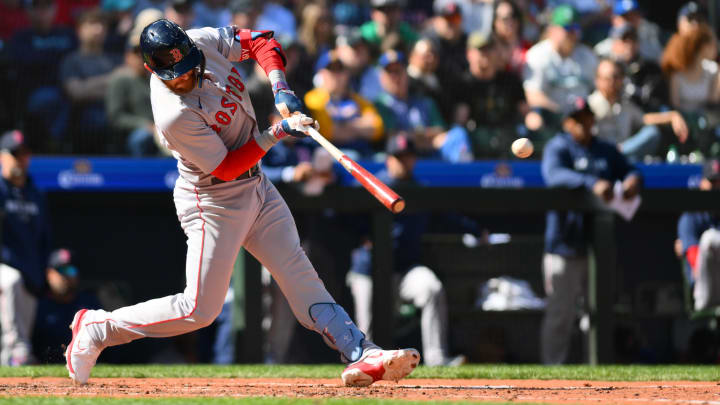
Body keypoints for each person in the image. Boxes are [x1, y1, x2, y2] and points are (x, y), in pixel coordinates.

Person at [64, 19, 419, 386]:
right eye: (175, 75)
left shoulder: (201, 41)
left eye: (187, 66)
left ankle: (360, 351)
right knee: (199, 309)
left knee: (299, 273)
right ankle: (98, 327)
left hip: (257, 188)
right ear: (152, 70)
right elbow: (228, 167)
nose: (184, 77)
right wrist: (277, 132)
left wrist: (279, 86)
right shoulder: (172, 114)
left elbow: (262, 42)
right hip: (212, 200)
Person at [346, 134, 467, 367]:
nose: (403, 162)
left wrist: (476, 230)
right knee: (366, 319)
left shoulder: (420, 190)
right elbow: (342, 220)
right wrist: (361, 237)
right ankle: (366, 363)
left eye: (408, 157)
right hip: (369, 270)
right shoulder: (371, 184)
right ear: (388, 159)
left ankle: (437, 359)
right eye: (399, 157)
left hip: (404, 270)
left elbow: (447, 217)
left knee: (431, 287)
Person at [540, 98, 642, 364]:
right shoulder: (558, 147)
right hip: (564, 245)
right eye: (577, 119)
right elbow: (554, 176)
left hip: (598, 248)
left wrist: (633, 179)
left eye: (587, 117)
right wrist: (591, 182)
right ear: (567, 123)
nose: (584, 123)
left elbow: (631, 170)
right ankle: (552, 372)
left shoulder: (604, 150)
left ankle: (596, 369)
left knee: (598, 314)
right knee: (560, 315)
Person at [0, 130, 68, 365]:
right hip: (5, 268)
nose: (20, 159)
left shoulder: (35, 194)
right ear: (2, 157)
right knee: (11, 281)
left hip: (30, 270)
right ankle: (18, 350)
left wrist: (47, 269)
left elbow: (45, 238)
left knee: (20, 338)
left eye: (24, 154)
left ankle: (12, 364)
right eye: (14, 154)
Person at [8, 0, 76, 150]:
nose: (41, 13)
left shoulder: (68, 34)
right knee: (50, 99)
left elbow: (75, 60)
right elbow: (26, 63)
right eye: (36, 8)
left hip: (70, 87)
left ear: (54, 10)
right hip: (34, 93)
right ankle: (53, 144)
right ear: (28, 12)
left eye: (46, 7)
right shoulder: (20, 37)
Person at [588, 58, 688, 160]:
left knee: (652, 133)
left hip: (624, 153)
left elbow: (645, 119)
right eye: (607, 78)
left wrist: (672, 116)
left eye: (616, 77)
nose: (612, 82)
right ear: (597, 80)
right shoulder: (590, 105)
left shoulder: (625, 104)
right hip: (599, 156)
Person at [522, 5, 597, 135]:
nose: (572, 33)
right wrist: (566, 113)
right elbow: (533, 96)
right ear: (552, 29)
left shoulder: (587, 56)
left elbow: (597, 89)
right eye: (567, 28)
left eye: (575, 28)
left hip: (585, 121)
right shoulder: (538, 55)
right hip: (553, 122)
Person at [456, 32, 527, 158]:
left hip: (509, 137)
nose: (486, 54)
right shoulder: (463, 83)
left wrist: (535, 121)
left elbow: (526, 112)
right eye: (480, 50)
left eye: (490, 49)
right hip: (477, 140)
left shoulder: (510, 80)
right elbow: (460, 120)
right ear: (469, 54)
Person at [59, 9, 119, 154]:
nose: (99, 29)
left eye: (102, 24)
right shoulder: (71, 60)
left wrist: (89, 86)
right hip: (82, 122)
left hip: (114, 117)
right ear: (79, 30)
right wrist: (111, 80)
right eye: (93, 23)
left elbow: (123, 91)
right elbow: (75, 92)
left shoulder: (115, 60)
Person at [304, 51, 384, 158]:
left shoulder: (357, 99)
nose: (336, 75)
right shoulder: (313, 98)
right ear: (321, 73)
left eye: (340, 69)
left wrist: (342, 125)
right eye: (331, 69)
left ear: (347, 73)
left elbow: (377, 128)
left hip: (364, 151)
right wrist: (359, 125)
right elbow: (326, 131)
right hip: (331, 154)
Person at [373, 50, 447, 157]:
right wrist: (425, 137)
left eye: (398, 71)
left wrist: (413, 135)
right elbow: (393, 136)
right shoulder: (379, 104)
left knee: (457, 135)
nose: (395, 77)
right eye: (390, 72)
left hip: (430, 155)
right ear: (382, 77)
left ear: (406, 73)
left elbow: (440, 131)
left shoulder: (425, 102)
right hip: (397, 159)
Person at [105, 30, 158, 156]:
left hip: (160, 129)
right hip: (132, 133)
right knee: (141, 138)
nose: (141, 57)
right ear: (127, 56)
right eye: (136, 53)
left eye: (145, 53)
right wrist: (145, 125)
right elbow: (116, 117)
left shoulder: (156, 78)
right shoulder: (120, 79)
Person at [594, 24, 668, 113]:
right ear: (614, 44)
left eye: (633, 39)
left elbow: (657, 102)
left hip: (644, 118)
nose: (629, 44)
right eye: (624, 40)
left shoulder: (651, 70)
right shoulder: (605, 69)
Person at [677, 159, 720, 311]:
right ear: (702, 183)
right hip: (704, 290)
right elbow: (696, 268)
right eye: (713, 182)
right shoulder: (690, 217)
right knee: (710, 239)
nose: (717, 187)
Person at [491, 0, 530, 74]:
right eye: (505, 19)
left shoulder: (528, 49)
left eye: (513, 16)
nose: (510, 21)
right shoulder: (488, 49)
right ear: (495, 22)